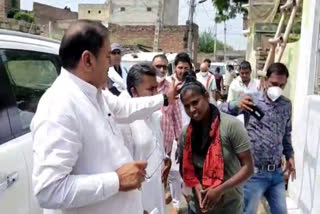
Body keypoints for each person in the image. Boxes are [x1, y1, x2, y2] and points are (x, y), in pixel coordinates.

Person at [31, 20, 178, 214]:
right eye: (107, 56)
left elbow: (125, 108)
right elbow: (48, 190)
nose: (111, 63)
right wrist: (116, 181)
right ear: (88, 60)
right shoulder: (59, 106)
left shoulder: (95, 93)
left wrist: (163, 100)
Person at [219, 63, 296, 214]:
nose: (278, 88)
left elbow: (286, 134)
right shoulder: (251, 100)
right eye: (274, 84)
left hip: (276, 174)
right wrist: (236, 104)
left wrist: (290, 155)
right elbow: (220, 110)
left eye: (282, 85)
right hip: (253, 174)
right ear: (265, 80)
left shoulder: (286, 105)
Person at [177, 75, 253, 214]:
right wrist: (197, 187)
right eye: (187, 106)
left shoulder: (231, 126)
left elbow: (248, 168)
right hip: (197, 207)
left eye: (195, 102)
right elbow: (184, 168)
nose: (192, 109)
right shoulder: (186, 133)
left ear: (206, 97)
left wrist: (219, 190)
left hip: (228, 207)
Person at [118, 64, 167, 214]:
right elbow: (123, 171)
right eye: (150, 89)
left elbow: (155, 142)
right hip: (137, 201)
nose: (156, 94)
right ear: (134, 92)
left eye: (156, 88)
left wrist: (164, 158)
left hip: (156, 190)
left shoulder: (152, 113)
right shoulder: (123, 120)